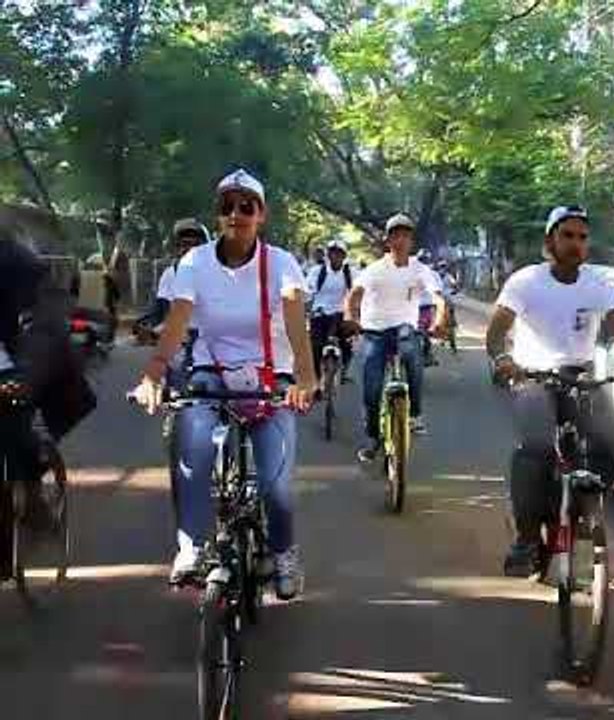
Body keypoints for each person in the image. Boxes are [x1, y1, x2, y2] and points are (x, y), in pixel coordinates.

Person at [129, 169, 318, 600]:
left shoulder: (282, 264)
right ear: (218, 216)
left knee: (276, 479)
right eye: (227, 207)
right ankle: (192, 547)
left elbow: (296, 325)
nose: (236, 214)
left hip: (273, 378)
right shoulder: (194, 263)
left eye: (246, 206)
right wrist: (153, 376)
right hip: (211, 373)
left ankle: (283, 552)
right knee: (191, 445)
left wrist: (306, 377)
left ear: (261, 215)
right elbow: (177, 323)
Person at [485, 205, 614, 577]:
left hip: (580, 377)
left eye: (582, 237)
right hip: (533, 376)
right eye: (567, 235)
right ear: (550, 240)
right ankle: (528, 537)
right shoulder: (526, 281)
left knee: (613, 441)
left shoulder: (597, 284)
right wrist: (502, 359)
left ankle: (580, 510)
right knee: (535, 447)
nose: (575, 244)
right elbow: (497, 330)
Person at [1, 228, 96, 576]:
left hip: (19, 366)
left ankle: (32, 500)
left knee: (12, 431)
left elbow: (43, 323)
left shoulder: (16, 262)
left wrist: (26, 375)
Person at [344, 213, 446, 463]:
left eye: (405, 235)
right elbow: (354, 294)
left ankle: (415, 414)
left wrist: (441, 319)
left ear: (412, 240)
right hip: (375, 331)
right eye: (395, 235)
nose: (400, 240)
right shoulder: (375, 270)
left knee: (411, 350)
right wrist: (350, 316)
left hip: (404, 329)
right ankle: (373, 439)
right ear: (387, 240)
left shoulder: (420, 270)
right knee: (371, 388)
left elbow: (438, 298)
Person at [306, 238, 354, 381]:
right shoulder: (317, 272)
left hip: (340, 315)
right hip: (319, 314)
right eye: (332, 253)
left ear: (344, 256)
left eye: (339, 253)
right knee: (316, 347)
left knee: (347, 344)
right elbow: (308, 291)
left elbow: (357, 293)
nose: (335, 257)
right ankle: (316, 377)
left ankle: (344, 368)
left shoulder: (349, 273)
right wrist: (307, 310)